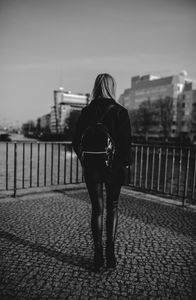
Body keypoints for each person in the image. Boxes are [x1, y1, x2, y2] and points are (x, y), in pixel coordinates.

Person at [73, 73, 132, 271]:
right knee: (112, 207)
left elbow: (76, 142)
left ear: (96, 87)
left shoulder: (87, 112)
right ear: (112, 87)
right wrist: (124, 165)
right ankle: (110, 254)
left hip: (92, 168)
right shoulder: (120, 112)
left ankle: (98, 256)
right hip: (113, 169)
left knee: (97, 210)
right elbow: (125, 145)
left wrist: (85, 161)